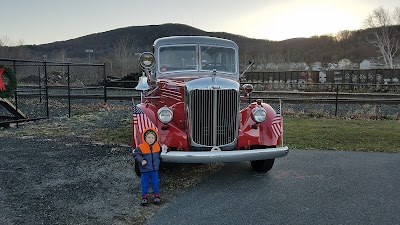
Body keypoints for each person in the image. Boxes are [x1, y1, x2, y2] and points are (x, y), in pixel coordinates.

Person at [132, 127, 165, 206]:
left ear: (155, 138)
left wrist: (165, 147)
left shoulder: (157, 146)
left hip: (154, 169)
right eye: (149, 137)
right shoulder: (141, 147)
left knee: (155, 182)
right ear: (145, 137)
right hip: (145, 170)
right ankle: (144, 197)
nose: (150, 139)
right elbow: (136, 154)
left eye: (153, 138)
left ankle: (156, 195)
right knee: (145, 183)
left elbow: (160, 151)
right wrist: (141, 160)